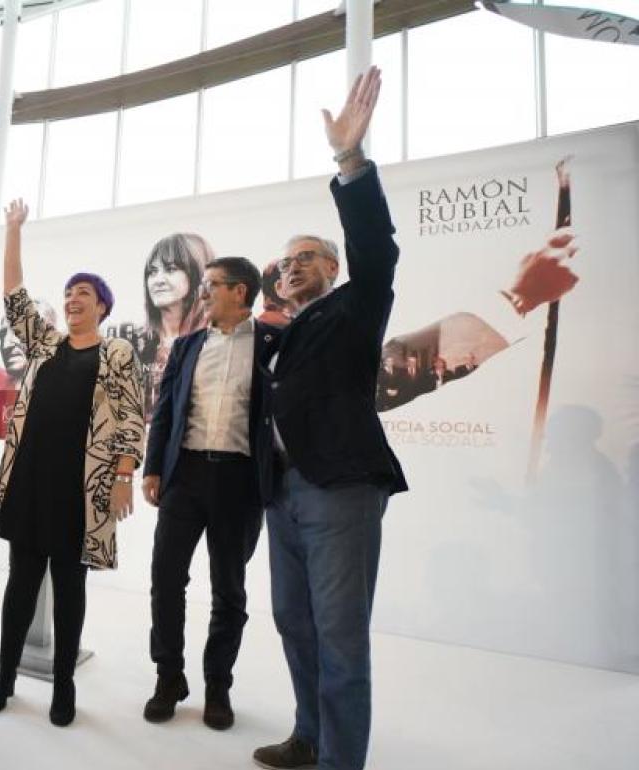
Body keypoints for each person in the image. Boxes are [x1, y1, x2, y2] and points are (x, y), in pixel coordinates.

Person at [250, 67, 408, 770]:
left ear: (334, 268)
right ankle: (310, 736)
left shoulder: (356, 305)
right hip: (281, 493)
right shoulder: (280, 337)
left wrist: (350, 160)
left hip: (340, 489)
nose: (291, 268)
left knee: (342, 638)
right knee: (295, 623)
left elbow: (378, 248)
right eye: (284, 263)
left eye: (307, 257)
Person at [0, 199, 144, 727]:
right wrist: (12, 230)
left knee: (70, 587)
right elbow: (13, 295)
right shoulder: (46, 343)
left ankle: (64, 684)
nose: (74, 300)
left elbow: (130, 419)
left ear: (103, 307)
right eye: (70, 293)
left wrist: (123, 477)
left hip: (81, 488)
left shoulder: (117, 354)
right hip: (29, 480)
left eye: (85, 294)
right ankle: (5, 674)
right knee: (20, 582)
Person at [141, 256, 267, 730]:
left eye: (211, 285)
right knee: (166, 580)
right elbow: (166, 411)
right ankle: (168, 677)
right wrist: (154, 468)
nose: (203, 294)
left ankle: (218, 685)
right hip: (185, 477)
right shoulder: (189, 345)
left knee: (229, 590)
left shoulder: (270, 345)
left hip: (240, 481)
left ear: (239, 291)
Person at [135, 233, 211, 414]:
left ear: (197, 274)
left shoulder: (212, 341)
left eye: (170, 269)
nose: (158, 280)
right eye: (152, 272)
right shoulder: (135, 342)